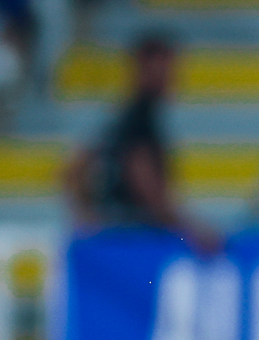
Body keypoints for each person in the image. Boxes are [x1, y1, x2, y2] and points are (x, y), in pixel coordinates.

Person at [63, 32, 210, 243]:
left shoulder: (119, 116)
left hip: (115, 233)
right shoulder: (140, 119)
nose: (173, 76)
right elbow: (143, 180)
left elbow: (74, 168)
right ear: (144, 67)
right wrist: (191, 229)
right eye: (167, 67)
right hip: (135, 237)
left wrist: (87, 216)